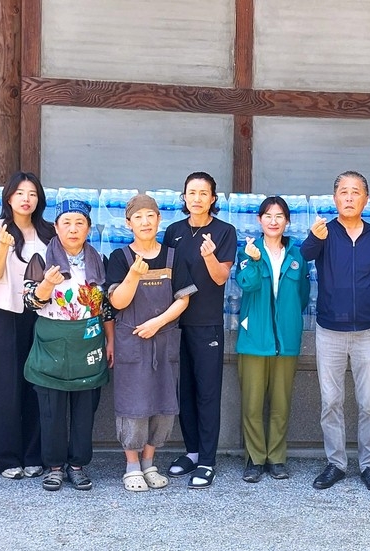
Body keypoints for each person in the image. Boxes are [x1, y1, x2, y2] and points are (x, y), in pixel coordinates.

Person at [300, 171, 370, 492]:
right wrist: (315, 237)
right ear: (335, 198)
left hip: (369, 330)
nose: (350, 197)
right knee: (331, 401)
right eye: (344, 192)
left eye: (356, 192)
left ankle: (369, 465)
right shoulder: (325, 232)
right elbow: (305, 255)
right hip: (330, 330)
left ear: (366, 199)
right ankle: (336, 463)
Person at [107, 194, 197, 492]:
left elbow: (183, 299)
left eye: (150, 216)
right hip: (132, 342)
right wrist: (133, 274)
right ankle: (132, 465)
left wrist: (157, 323)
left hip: (164, 339)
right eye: (138, 217)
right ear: (128, 223)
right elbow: (117, 302)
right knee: (133, 402)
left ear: (159, 220)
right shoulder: (120, 257)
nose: (145, 222)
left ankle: (149, 461)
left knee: (162, 402)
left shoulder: (173, 256)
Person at [22, 200, 114, 491]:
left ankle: (78, 465)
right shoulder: (41, 258)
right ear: (56, 227)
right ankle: (54, 467)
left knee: (85, 409)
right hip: (52, 344)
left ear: (88, 228)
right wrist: (47, 285)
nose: (73, 229)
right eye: (67, 223)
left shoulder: (99, 259)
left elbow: (106, 307)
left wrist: (111, 340)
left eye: (79, 223)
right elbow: (29, 302)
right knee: (51, 410)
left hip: (89, 342)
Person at [164, 172, 237, 489]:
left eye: (203, 193)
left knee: (207, 393)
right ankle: (191, 452)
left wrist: (209, 256)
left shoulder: (224, 231)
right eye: (191, 192)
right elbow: (165, 275)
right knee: (184, 392)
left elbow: (221, 277)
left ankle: (207, 460)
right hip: (175, 322)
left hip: (207, 323)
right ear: (184, 197)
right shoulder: (174, 232)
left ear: (213, 199)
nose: (197, 198)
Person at [0, 172, 55, 480]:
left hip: (43, 315)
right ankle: (7, 457)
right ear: (9, 197)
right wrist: (3, 246)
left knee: (38, 385)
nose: (26, 199)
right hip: (7, 313)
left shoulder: (49, 232)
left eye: (33, 194)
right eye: (20, 193)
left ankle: (34, 454)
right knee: (6, 385)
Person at [236, 196, 310, 483]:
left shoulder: (297, 255)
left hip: (286, 340)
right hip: (255, 337)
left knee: (281, 403)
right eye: (268, 215)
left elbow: (302, 296)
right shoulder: (248, 251)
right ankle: (255, 459)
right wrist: (255, 261)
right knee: (252, 404)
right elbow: (247, 284)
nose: (273, 221)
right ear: (259, 220)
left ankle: (277, 458)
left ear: (287, 221)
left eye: (279, 216)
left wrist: (289, 322)